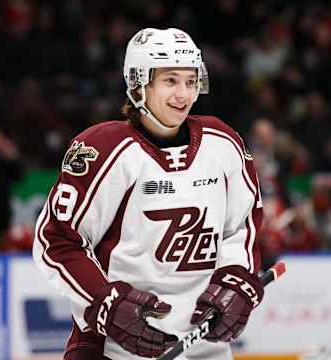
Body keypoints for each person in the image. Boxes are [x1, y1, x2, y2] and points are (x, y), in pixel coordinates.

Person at [33, 28, 265, 360]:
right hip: (116, 345)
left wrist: (235, 277)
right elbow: (57, 241)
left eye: (190, 81)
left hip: (205, 343)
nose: (183, 94)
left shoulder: (222, 142)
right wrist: (107, 302)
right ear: (140, 84)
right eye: (170, 81)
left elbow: (242, 225)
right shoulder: (105, 149)